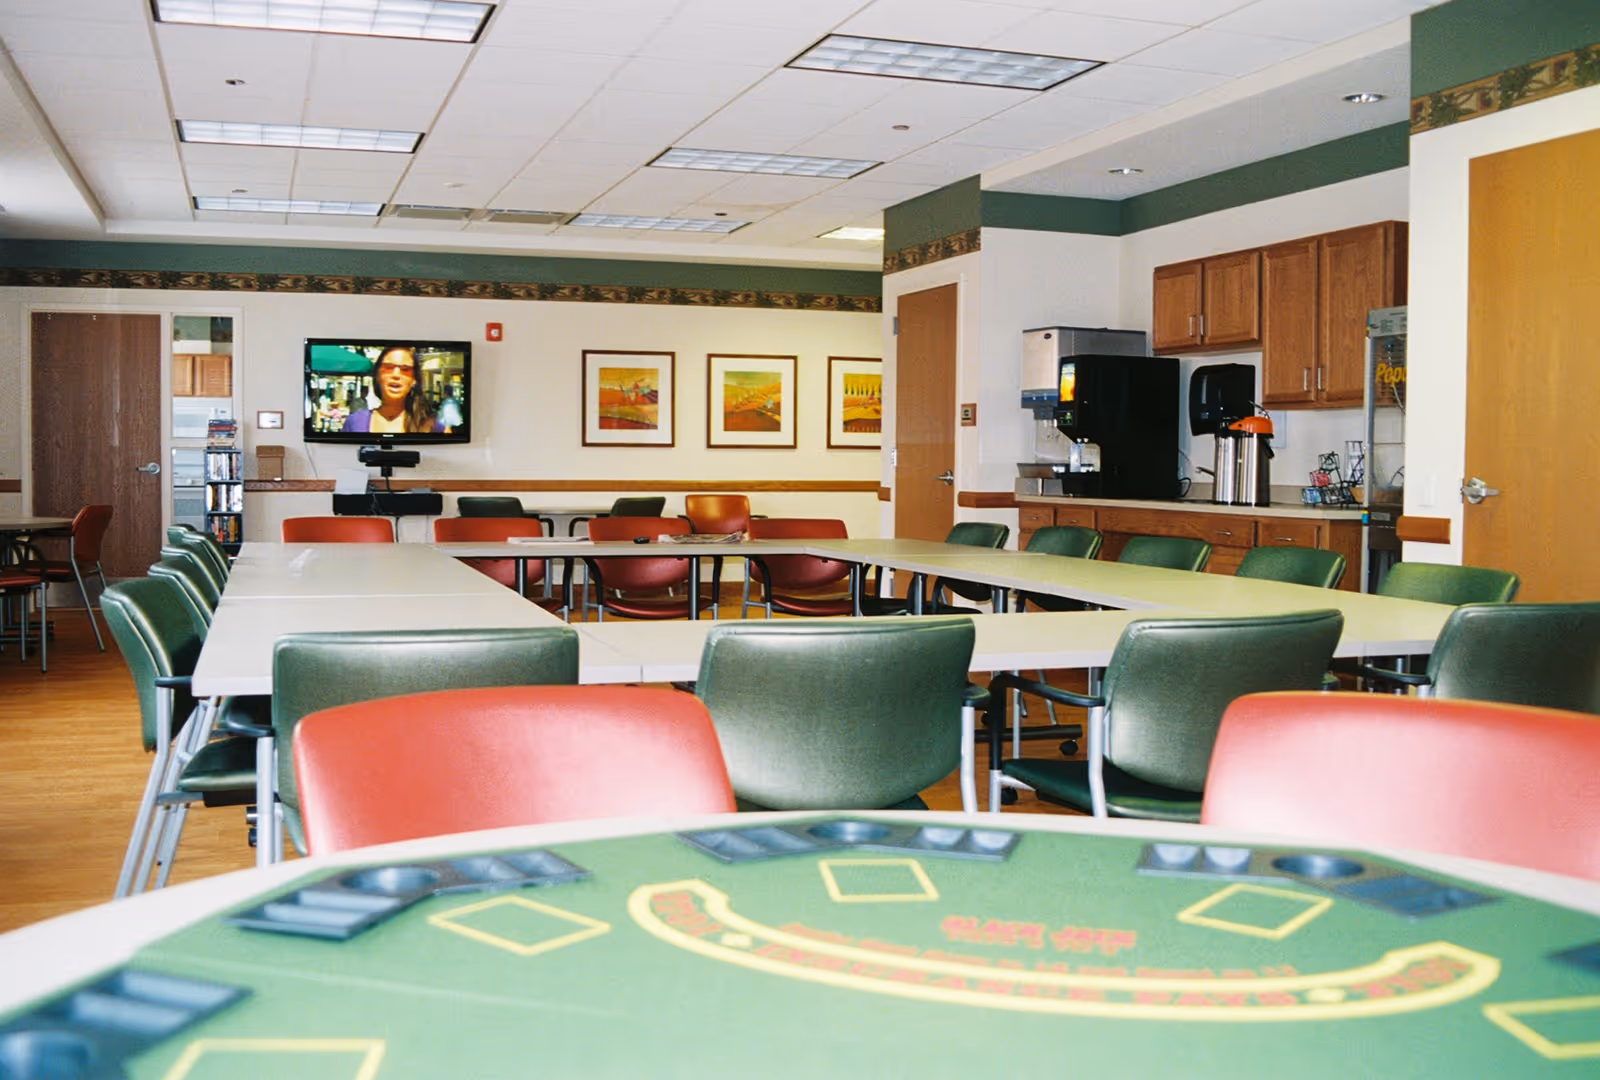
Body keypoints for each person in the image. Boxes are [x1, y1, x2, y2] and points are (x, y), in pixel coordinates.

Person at [342, 346, 438, 434]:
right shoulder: (355, 422)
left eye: (405, 369)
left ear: (414, 380)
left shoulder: (434, 426)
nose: (396, 375)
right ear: (378, 375)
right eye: (388, 368)